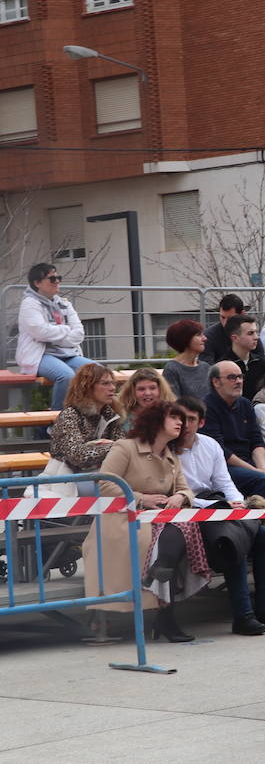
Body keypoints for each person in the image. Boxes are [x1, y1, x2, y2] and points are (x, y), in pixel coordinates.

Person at [83, 400, 209, 643]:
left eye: (181, 419)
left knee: (181, 531)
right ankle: (164, 612)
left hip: (158, 519)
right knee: (173, 535)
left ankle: (159, 579)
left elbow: (186, 489)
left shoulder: (171, 454)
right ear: (156, 421)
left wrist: (179, 496)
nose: (179, 422)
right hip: (122, 520)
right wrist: (142, 498)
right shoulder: (125, 447)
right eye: (173, 417)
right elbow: (105, 484)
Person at [175, 395, 265, 636]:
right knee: (234, 540)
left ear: (201, 423)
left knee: (263, 536)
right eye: (181, 418)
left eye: (191, 419)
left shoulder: (209, 444)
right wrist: (218, 505)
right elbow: (177, 492)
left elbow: (225, 481)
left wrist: (237, 503)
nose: (185, 424)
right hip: (190, 511)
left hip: (219, 507)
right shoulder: (168, 448)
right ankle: (243, 615)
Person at [18, 263, 94, 409]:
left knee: (97, 372)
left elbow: (79, 333)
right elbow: (40, 332)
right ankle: (58, 423)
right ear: (37, 283)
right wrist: (66, 330)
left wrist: (55, 332)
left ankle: (85, 418)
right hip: (41, 356)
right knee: (66, 376)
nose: (57, 281)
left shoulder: (64, 304)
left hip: (68, 354)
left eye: (58, 278)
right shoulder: (29, 304)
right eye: (52, 279)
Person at [202, 360, 265, 501]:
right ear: (216, 382)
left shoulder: (246, 404)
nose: (239, 381)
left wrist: (262, 467)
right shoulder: (206, 407)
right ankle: (254, 521)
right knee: (262, 480)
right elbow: (221, 451)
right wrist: (255, 471)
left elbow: (256, 440)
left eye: (240, 376)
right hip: (224, 468)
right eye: (232, 377)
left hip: (248, 463)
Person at [48, 364, 123, 492]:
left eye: (112, 383)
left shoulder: (112, 415)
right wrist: (114, 446)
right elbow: (78, 456)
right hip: (68, 479)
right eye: (105, 383)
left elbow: (124, 450)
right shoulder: (70, 415)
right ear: (87, 387)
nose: (112, 388)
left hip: (102, 475)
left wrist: (115, 446)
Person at [162, 319, 212, 401]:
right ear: (185, 339)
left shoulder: (205, 367)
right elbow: (174, 404)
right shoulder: (172, 369)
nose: (205, 338)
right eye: (199, 335)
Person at [224, 314, 265, 398]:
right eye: (250, 333)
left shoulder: (260, 363)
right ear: (235, 338)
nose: (256, 337)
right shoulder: (224, 366)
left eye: (256, 332)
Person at [200, 294, 245, 365]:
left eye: (230, 319)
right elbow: (206, 368)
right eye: (222, 317)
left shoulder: (249, 333)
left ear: (242, 314)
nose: (226, 323)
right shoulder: (209, 336)